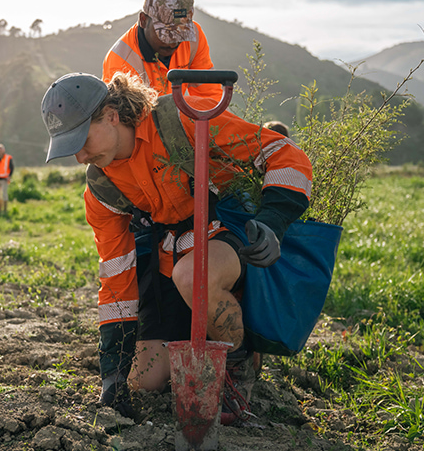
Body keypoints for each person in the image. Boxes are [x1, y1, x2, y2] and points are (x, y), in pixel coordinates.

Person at [40, 72, 312, 421]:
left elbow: (282, 152)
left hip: (228, 232)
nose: (79, 158)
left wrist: (274, 220)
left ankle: (239, 369)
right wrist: (113, 372)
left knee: (192, 276)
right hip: (169, 255)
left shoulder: (184, 118)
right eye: (69, 147)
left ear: (110, 115)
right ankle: (201, 330)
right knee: (145, 380)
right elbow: (117, 277)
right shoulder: (101, 189)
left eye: (82, 141)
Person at [102, 0, 222, 101]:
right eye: (166, 34)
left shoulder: (194, 37)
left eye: (181, 33)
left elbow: (210, 98)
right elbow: (124, 118)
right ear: (143, 20)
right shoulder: (121, 61)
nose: (173, 43)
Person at [0, 143, 14, 214]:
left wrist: (9, 176)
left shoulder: (8, 157)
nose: (0, 151)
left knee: (4, 194)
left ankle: (5, 210)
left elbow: (12, 167)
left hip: (5, 178)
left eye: (1, 149)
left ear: (4, 150)